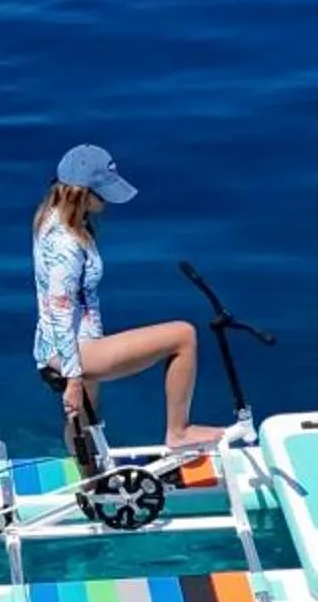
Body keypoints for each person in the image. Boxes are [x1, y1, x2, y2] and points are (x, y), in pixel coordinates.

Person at [32, 143, 223, 452]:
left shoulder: (50, 216)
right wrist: (74, 377)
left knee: (83, 425)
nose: (107, 199)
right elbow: (60, 309)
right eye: (103, 192)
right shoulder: (67, 245)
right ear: (82, 193)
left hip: (56, 344)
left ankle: (87, 481)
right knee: (183, 336)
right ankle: (179, 432)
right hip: (76, 350)